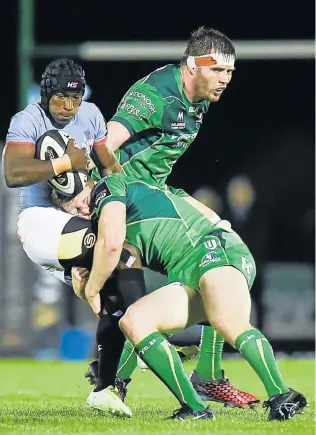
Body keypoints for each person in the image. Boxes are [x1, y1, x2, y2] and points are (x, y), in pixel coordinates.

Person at [88, 25, 258, 407]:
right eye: (218, 71)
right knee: (211, 257)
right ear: (192, 66)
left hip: (155, 196)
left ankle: (200, 374)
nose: (225, 80)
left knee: (223, 243)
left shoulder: (199, 98)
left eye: (230, 73)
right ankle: (117, 377)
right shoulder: (155, 95)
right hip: (128, 202)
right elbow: (103, 143)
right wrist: (106, 193)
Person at [58, 174, 307, 421]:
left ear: (90, 183)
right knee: (135, 320)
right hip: (187, 273)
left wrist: (90, 288)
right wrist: (84, 290)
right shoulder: (124, 227)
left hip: (212, 249)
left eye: (81, 201)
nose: (84, 210)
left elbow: (111, 244)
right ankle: (195, 407)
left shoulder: (109, 187)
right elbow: (122, 299)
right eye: (76, 212)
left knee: (226, 320)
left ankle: (282, 395)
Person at [3, 58, 146, 413]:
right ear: (47, 95)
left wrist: (112, 193)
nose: (68, 107)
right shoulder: (27, 120)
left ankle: (107, 382)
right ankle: (146, 336)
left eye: (75, 99)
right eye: (61, 100)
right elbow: (13, 172)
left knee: (108, 274)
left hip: (77, 219)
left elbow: (109, 164)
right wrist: (65, 163)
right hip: (40, 222)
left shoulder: (92, 115)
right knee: (119, 257)